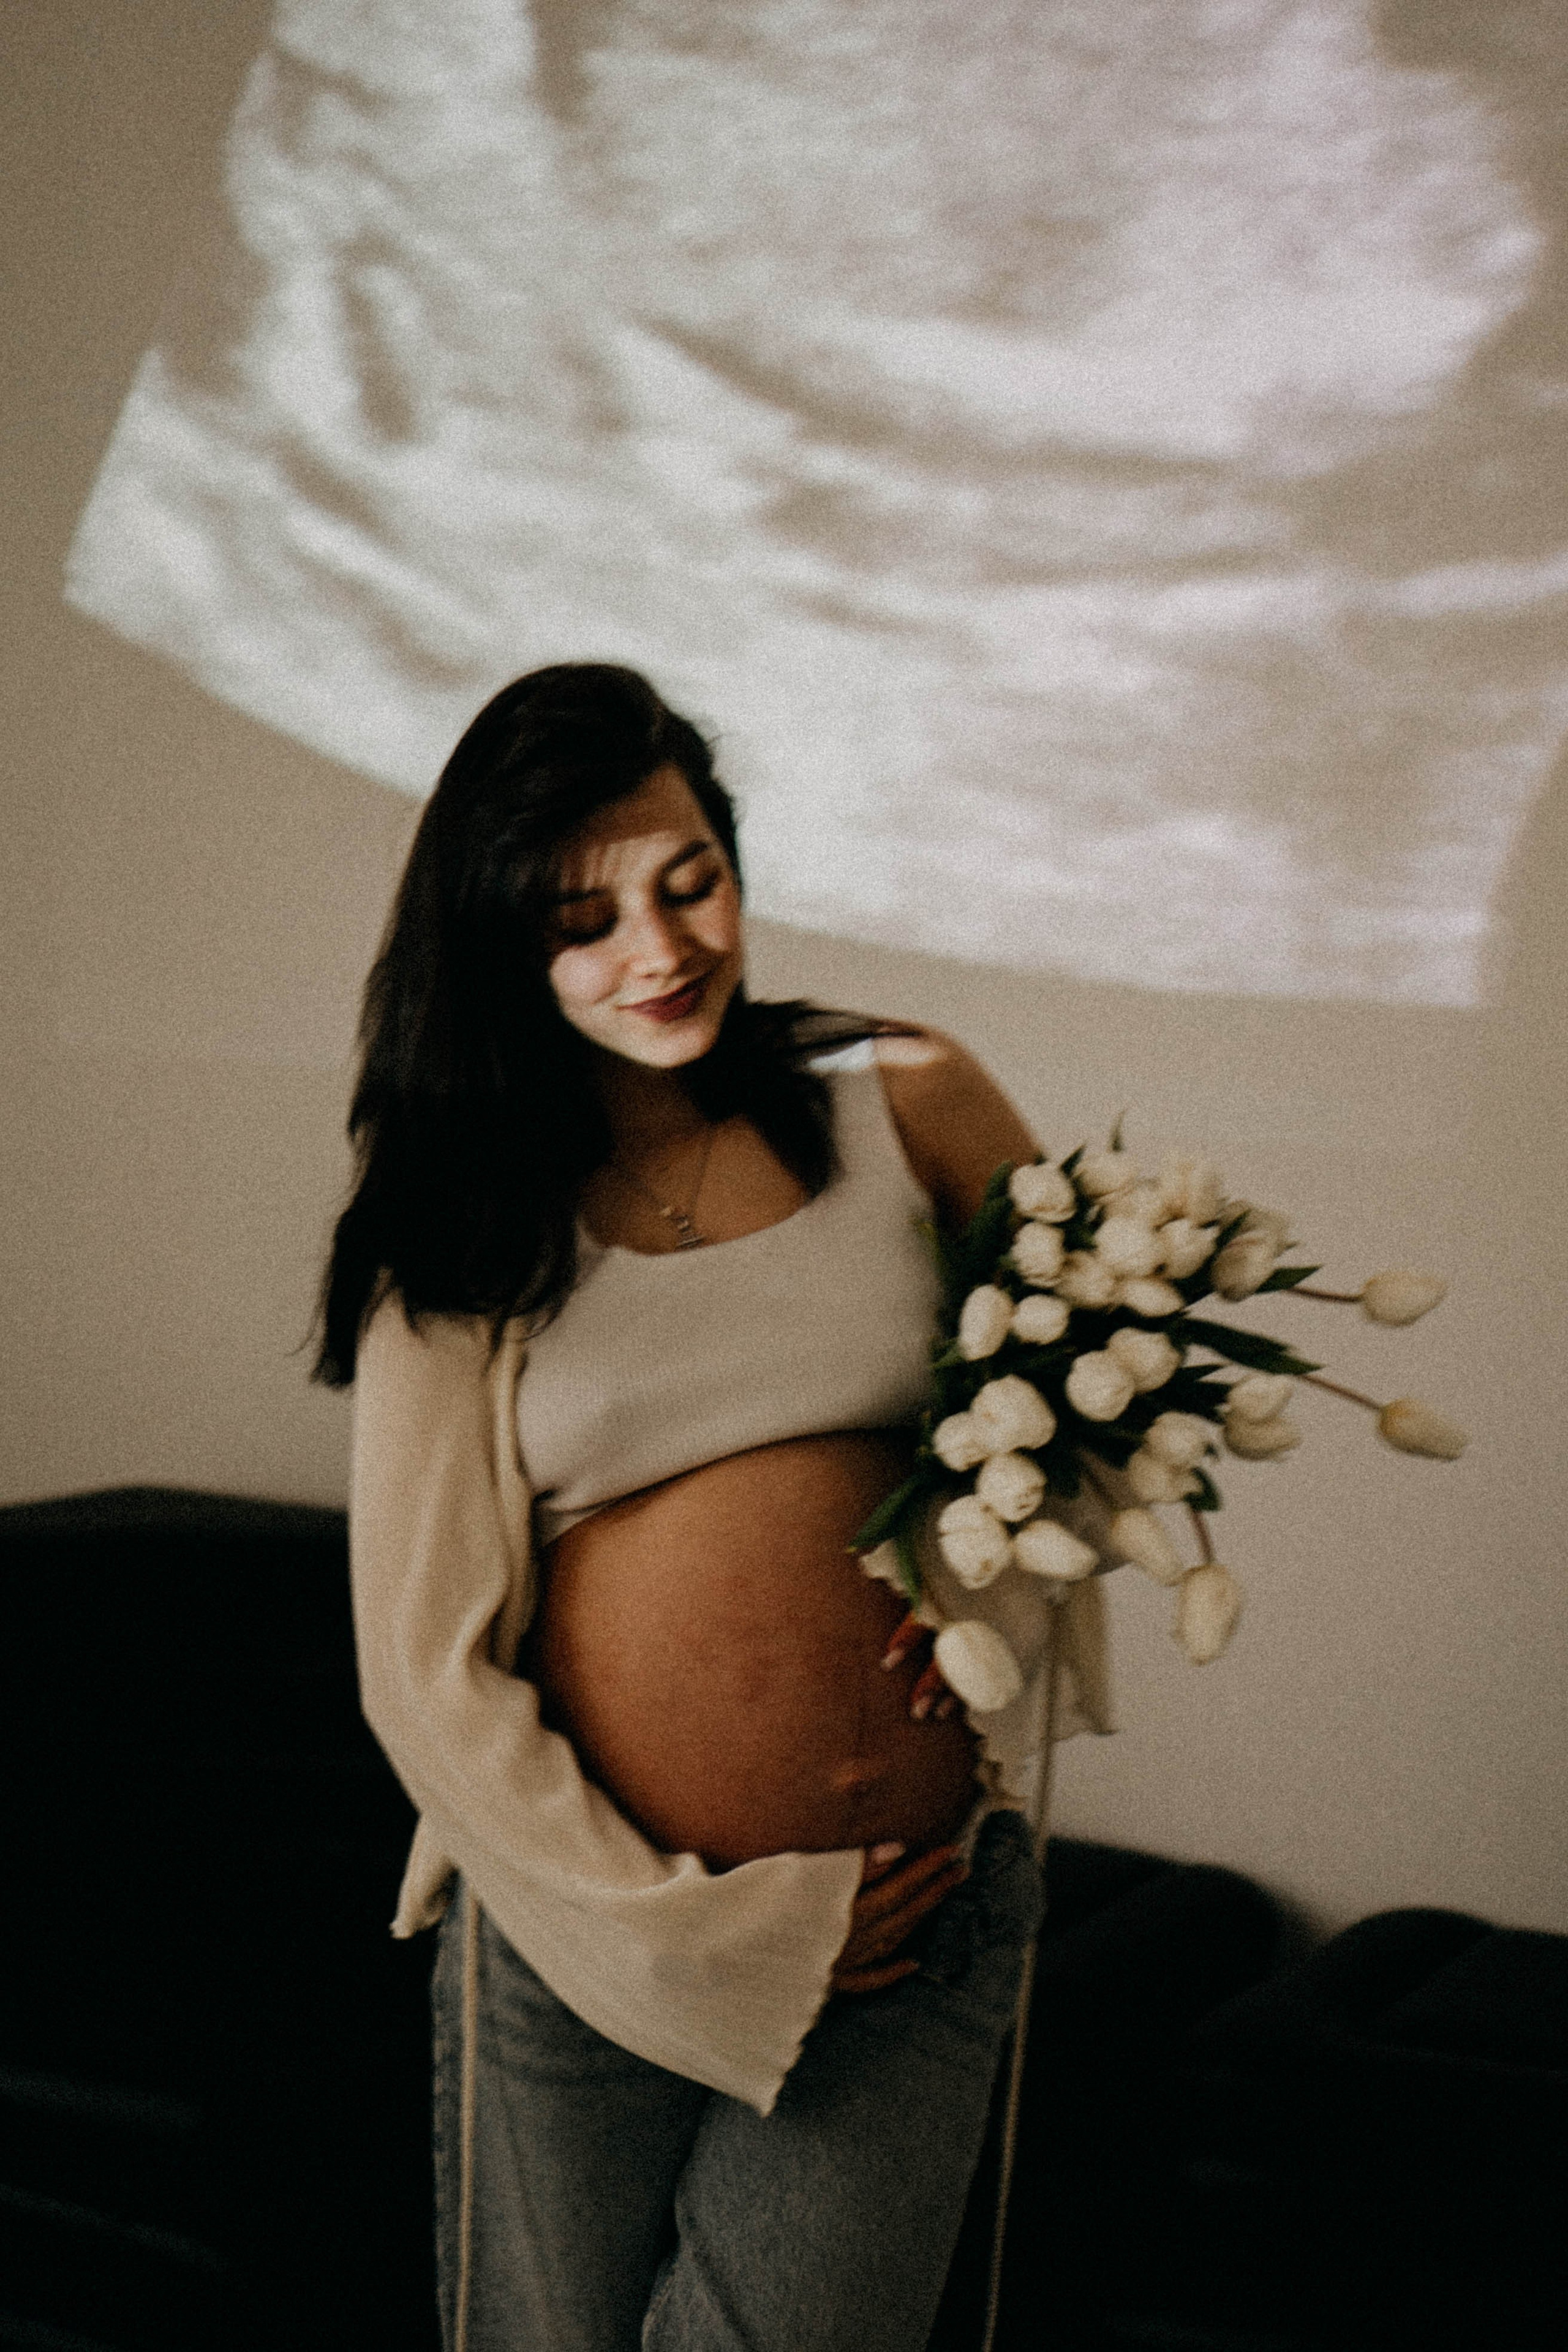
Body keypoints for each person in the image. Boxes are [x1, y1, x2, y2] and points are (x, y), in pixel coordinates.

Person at [315, 663, 1071, 2352]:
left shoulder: (906, 1091)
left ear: (733, 863)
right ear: (503, 938)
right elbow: (419, 1670)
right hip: (591, 1942)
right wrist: (686, 1930)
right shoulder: (462, 1214)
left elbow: (1092, 1398)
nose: (660, 953)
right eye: (582, 919)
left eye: (690, 882)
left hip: (909, 1919)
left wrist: (993, 1615)